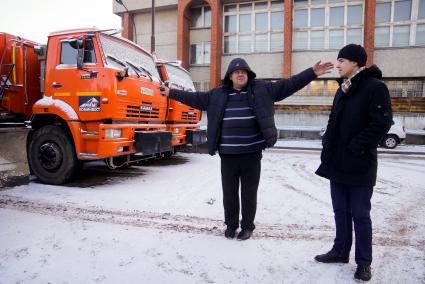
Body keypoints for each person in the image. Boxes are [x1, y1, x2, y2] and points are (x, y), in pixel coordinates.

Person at [160, 58, 333, 241]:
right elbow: (193, 98)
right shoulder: (217, 95)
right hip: (228, 155)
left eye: (244, 71)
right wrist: (170, 92)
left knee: (249, 194)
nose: (240, 74)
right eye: (236, 72)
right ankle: (231, 225)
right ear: (230, 76)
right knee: (230, 194)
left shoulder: (262, 90)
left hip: (251, 154)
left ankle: (247, 227)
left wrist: (312, 73)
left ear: (248, 75)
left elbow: (289, 85)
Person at [314, 44, 393, 281]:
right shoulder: (343, 89)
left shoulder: (375, 88)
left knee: (360, 213)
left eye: (342, 60)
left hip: (359, 163)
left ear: (356, 62)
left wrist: (356, 145)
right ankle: (340, 251)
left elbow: (382, 123)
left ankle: (364, 262)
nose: (337, 65)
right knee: (340, 211)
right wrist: (328, 143)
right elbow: (333, 120)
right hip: (338, 162)